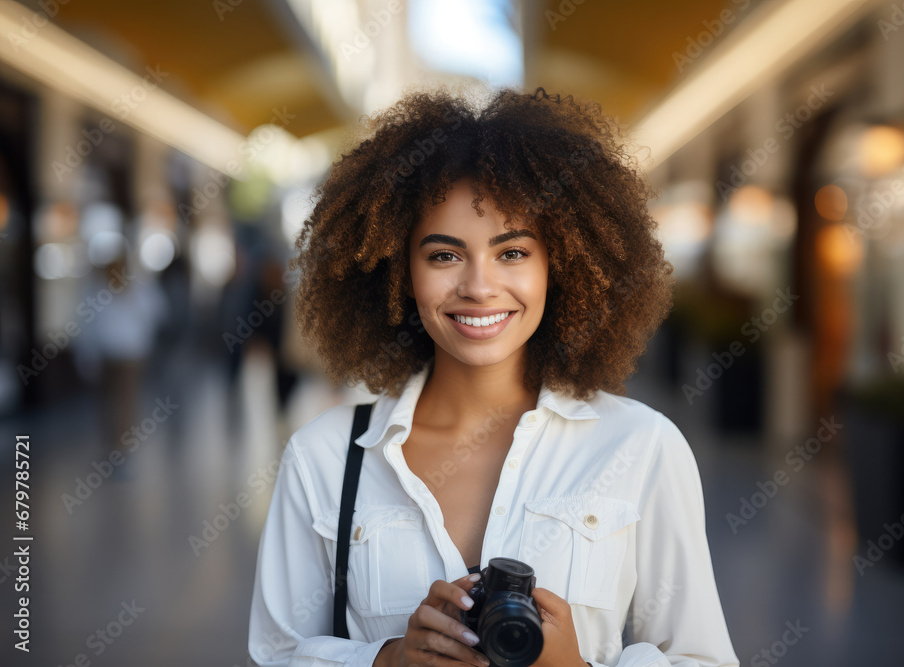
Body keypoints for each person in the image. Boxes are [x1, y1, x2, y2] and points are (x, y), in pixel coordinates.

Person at [248, 86, 739, 667]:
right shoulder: (324, 458)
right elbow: (273, 656)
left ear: (563, 264)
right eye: (444, 255)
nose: (479, 287)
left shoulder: (642, 448)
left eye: (512, 253)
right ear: (398, 271)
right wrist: (387, 661)